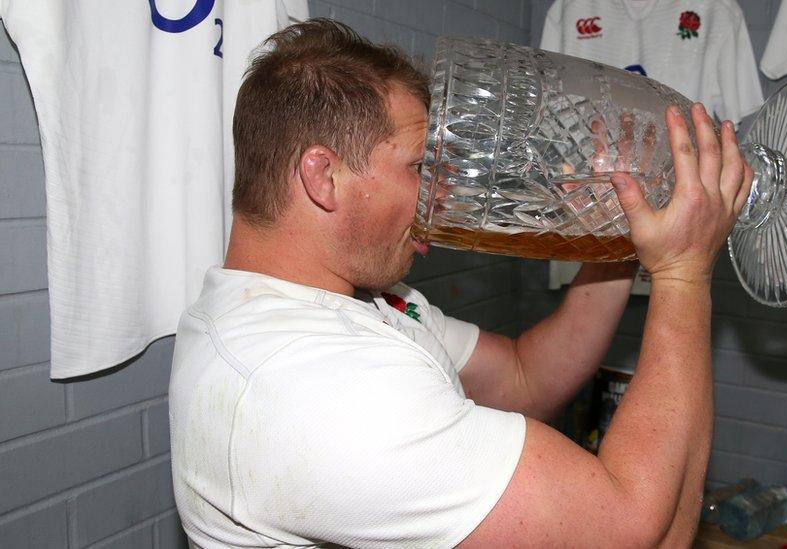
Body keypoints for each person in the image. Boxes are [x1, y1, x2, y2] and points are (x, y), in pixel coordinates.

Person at [169, 18, 753, 549]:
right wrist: (682, 270)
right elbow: (636, 528)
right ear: (324, 177)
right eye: (421, 168)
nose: (442, 197)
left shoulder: (356, 305)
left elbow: (526, 376)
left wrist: (615, 237)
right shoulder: (314, 385)